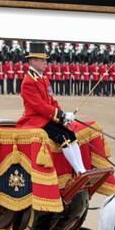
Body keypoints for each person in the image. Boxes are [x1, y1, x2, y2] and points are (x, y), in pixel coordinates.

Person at [17, 42, 88, 175]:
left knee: (71, 135)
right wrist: (60, 115)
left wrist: (64, 116)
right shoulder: (28, 81)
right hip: (35, 120)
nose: (46, 63)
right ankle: (78, 171)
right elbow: (40, 106)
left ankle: (82, 169)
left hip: (46, 117)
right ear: (33, 61)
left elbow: (52, 101)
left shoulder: (43, 79)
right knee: (63, 137)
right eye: (42, 60)